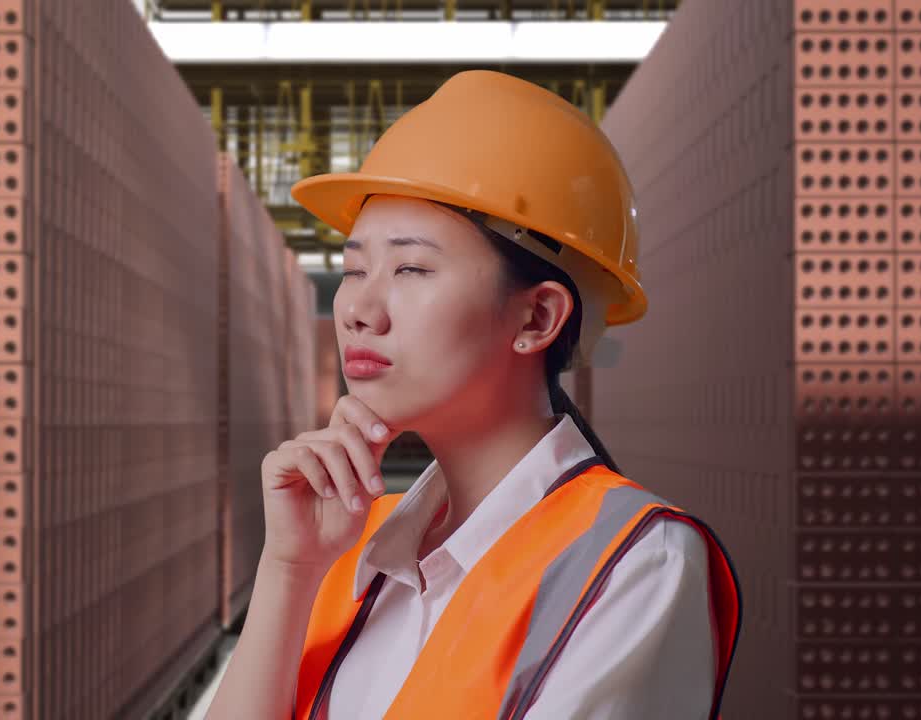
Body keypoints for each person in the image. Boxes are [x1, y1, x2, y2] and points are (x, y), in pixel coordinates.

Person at [205, 69, 741, 720]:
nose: (358, 311)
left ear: (537, 319)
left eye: (411, 268)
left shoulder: (634, 563)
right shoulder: (350, 542)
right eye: (352, 270)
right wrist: (288, 567)